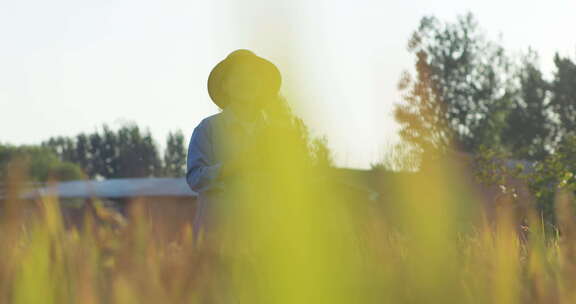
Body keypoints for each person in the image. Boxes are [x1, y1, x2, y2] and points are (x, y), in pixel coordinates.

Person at [186, 49, 283, 246]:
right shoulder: (208, 129)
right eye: (238, 76)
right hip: (219, 242)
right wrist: (231, 167)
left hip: (267, 244)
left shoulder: (277, 135)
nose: (246, 81)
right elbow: (195, 179)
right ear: (226, 86)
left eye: (253, 76)